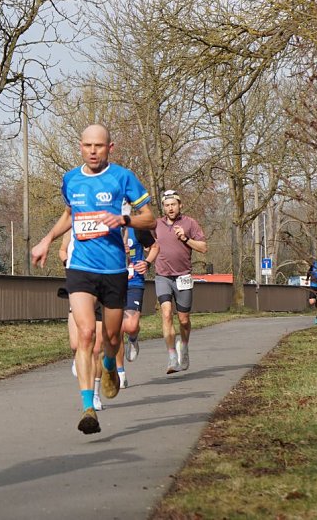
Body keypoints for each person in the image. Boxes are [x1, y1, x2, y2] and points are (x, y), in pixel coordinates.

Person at [31, 124, 155, 435]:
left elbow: (150, 219)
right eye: (87, 145)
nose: (93, 151)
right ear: (80, 146)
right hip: (81, 268)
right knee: (86, 334)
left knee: (112, 339)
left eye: (99, 146)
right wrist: (47, 239)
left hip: (114, 270)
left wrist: (124, 219)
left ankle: (111, 365)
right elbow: (70, 214)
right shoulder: (70, 179)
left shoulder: (123, 177)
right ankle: (88, 407)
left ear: (110, 147)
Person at [152, 189, 207, 374]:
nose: (170, 208)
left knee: (184, 320)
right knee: (166, 313)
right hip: (162, 276)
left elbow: (203, 248)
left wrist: (185, 238)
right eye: (167, 205)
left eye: (173, 204)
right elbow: (148, 244)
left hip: (183, 276)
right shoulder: (157, 224)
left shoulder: (189, 223)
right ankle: (172, 357)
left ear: (180, 205)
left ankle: (184, 346)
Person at [58, 232, 106, 410]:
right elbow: (62, 250)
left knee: (96, 348)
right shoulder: (73, 228)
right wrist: (68, 262)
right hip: (80, 287)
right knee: (75, 345)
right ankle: (78, 359)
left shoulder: (108, 223)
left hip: (103, 288)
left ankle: (94, 394)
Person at [115, 223, 159, 388]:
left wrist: (147, 263)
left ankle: (133, 338)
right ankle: (120, 373)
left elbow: (155, 246)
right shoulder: (105, 228)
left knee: (131, 326)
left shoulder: (137, 228)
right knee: (117, 328)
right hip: (113, 284)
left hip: (134, 282)